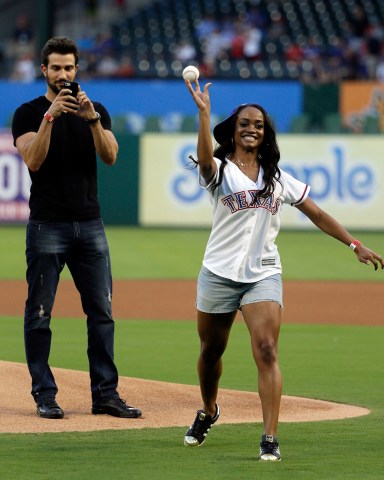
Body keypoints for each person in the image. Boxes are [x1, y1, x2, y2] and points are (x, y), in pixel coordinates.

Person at [182, 78, 384, 461]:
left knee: (267, 348)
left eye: (259, 124)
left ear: (266, 132)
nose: (252, 128)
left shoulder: (277, 178)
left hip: (263, 273)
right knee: (211, 351)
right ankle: (209, 410)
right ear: (234, 129)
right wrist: (204, 115)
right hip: (219, 273)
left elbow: (318, 214)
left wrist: (355, 245)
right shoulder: (220, 170)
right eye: (245, 123)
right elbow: (205, 159)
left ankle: (270, 437)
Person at [11, 36, 142, 420]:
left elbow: (112, 156)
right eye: (56, 68)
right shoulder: (27, 112)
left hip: (90, 225)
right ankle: (44, 395)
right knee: (39, 314)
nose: (63, 74)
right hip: (46, 225)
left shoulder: (95, 110)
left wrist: (93, 120)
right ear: (44, 71)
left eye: (69, 68)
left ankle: (105, 394)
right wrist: (51, 115)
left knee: (102, 313)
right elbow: (33, 160)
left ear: (77, 69)